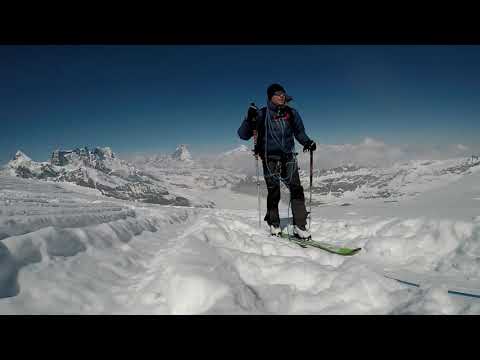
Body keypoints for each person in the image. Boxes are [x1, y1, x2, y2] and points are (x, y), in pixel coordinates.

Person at [237, 83, 316, 239]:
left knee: (297, 190)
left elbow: (299, 132)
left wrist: (307, 142)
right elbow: (243, 135)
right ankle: (274, 223)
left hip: (289, 157)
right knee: (274, 192)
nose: (282, 96)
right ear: (270, 97)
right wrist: (249, 118)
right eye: (278, 93)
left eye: (283, 93)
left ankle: (300, 226)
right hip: (269, 158)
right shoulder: (261, 114)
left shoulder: (292, 113)